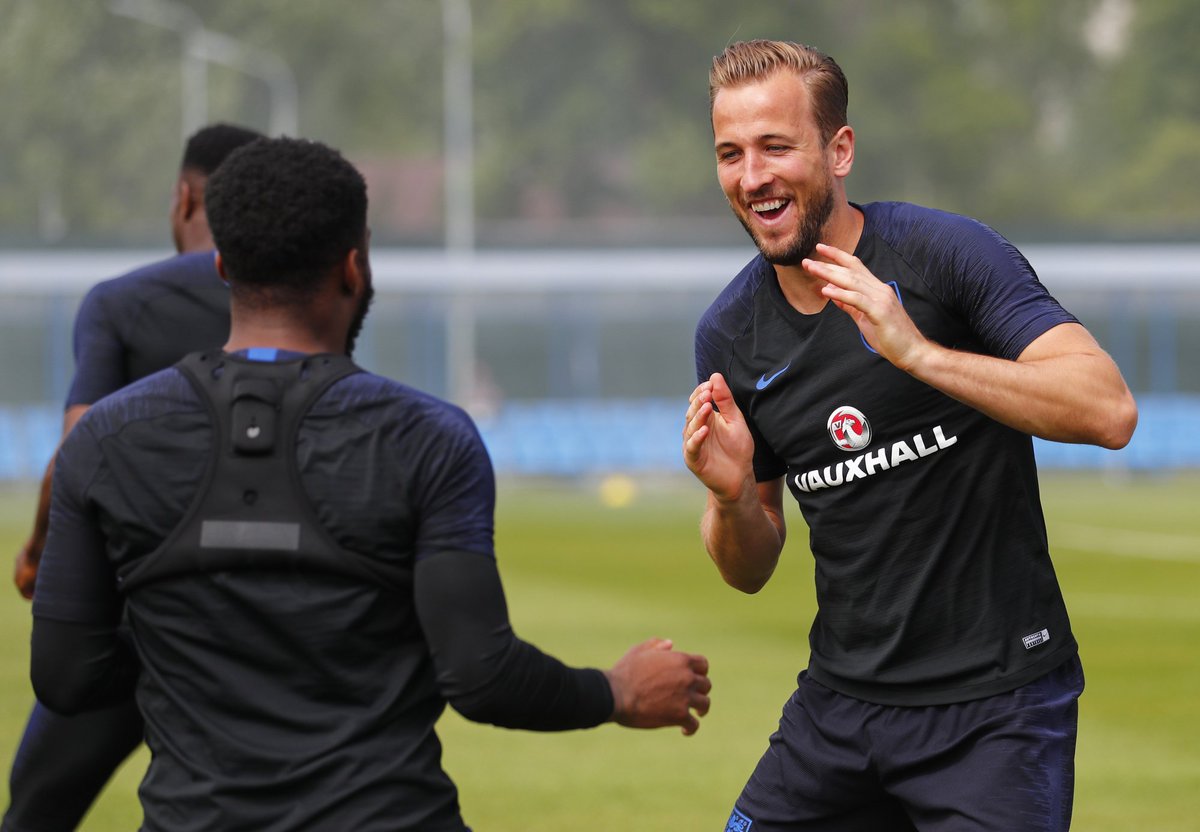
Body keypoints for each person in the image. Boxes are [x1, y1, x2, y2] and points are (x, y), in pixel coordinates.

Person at [30, 136, 712, 831]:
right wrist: (617, 691)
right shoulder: (426, 439)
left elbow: (64, 676)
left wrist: (188, 653)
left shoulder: (107, 438)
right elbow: (480, 676)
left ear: (223, 266)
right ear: (355, 267)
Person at [683, 40, 1136, 832]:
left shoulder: (945, 254)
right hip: (840, 708)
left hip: (997, 710)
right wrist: (727, 501)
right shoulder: (729, 334)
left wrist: (918, 355)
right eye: (731, 153)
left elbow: (1108, 409)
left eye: (775, 148)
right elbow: (748, 568)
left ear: (840, 149)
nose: (752, 177)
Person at [3, 122, 263, 832]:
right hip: (269, 621)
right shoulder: (301, 298)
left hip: (132, 616)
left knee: (36, 808)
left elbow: (80, 449)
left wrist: (35, 555)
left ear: (185, 198)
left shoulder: (122, 302)